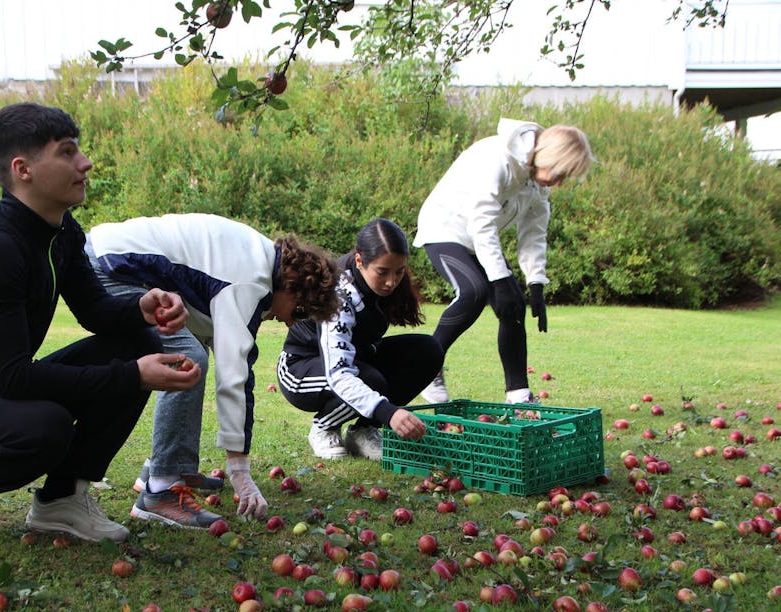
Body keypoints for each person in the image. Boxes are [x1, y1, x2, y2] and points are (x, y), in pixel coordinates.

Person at [0, 103, 201, 554]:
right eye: (68, 152)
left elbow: (96, 312)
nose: (85, 163)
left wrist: (142, 306)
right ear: (24, 169)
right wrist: (133, 376)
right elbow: (14, 378)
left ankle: (61, 499)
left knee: (134, 342)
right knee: (46, 426)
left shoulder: (60, 232)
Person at [87, 213, 340, 527]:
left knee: (190, 354)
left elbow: (234, 354)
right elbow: (234, 377)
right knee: (188, 362)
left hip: (111, 255)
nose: (291, 322)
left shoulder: (256, 260)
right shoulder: (251, 281)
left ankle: (161, 467)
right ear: (292, 287)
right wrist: (239, 471)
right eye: (300, 311)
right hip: (112, 267)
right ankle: (161, 489)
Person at [414, 118, 594, 405]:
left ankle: (519, 395)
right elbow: (481, 222)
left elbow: (534, 235)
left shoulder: (537, 183)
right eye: (560, 173)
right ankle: (425, 367)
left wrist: (536, 283)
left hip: (477, 239)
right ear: (548, 156)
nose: (559, 183)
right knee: (474, 292)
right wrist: (499, 278)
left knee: (512, 305)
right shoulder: (497, 159)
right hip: (445, 228)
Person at [277, 217, 444, 460]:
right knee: (370, 380)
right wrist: (389, 413)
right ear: (359, 260)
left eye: (399, 272)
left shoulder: (387, 285)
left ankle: (363, 430)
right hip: (300, 369)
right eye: (382, 272)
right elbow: (340, 373)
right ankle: (324, 427)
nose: (391, 282)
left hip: (355, 359)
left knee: (428, 351)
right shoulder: (340, 295)